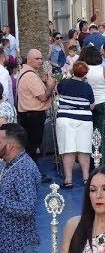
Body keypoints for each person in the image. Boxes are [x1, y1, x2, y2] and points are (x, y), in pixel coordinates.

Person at [0, 123, 42, 253]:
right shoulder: (5, 164)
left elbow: (27, 208)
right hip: (6, 242)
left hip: (20, 244)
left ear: (10, 145)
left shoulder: (24, 170)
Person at [17, 49, 56, 183]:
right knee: (32, 147)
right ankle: (33, 176)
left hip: (28, 115)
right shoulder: (30, 76)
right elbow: (44, 97)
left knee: (31, 147)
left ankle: (32, 174)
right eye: (37, 59)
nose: (40, 61)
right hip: (32, 116)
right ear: (29, 60)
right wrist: (50, 86)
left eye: (40, 58)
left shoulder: (26, 73)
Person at [56, 61, 95, 188]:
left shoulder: (64, 83)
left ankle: (68, 179)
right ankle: (86, 178)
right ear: (85, 73)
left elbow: (58, 91)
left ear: (73, 70)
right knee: (84, 149)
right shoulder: (87, 87)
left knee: (68, 149)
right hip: (84, 120)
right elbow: (92, 105)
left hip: (65, 119)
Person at [80, 46, 105, 165]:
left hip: (87, 104)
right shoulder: (103, 70)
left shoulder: (84, 70)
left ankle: (90, 160)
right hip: (102, 101)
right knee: (102, 132)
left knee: (88, 132)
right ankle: (102, 160)